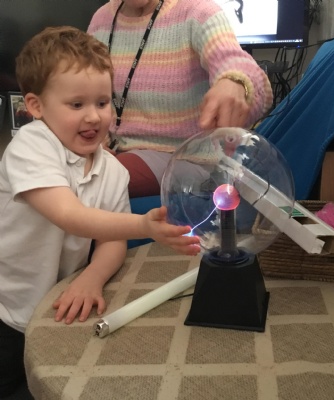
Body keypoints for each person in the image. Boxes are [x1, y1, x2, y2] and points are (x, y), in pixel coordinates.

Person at [0, 26, 200, 397]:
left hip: (57, 301)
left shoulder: (113, 170)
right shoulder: (31, 145)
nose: (94, 117)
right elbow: (68, 214)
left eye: (103, 103)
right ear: (36, 106)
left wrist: (93, 276)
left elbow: (111, 240)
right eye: (77, 105)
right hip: (9, 305)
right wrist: (143, 224)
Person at [88, 0, 273, 198]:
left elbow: (243, 69)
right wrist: (97, 140)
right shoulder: (102, 20)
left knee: (89, 179)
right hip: (115, 152)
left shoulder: (198, 13)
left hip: (185, 157)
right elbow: (86, 92)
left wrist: (235, 82)